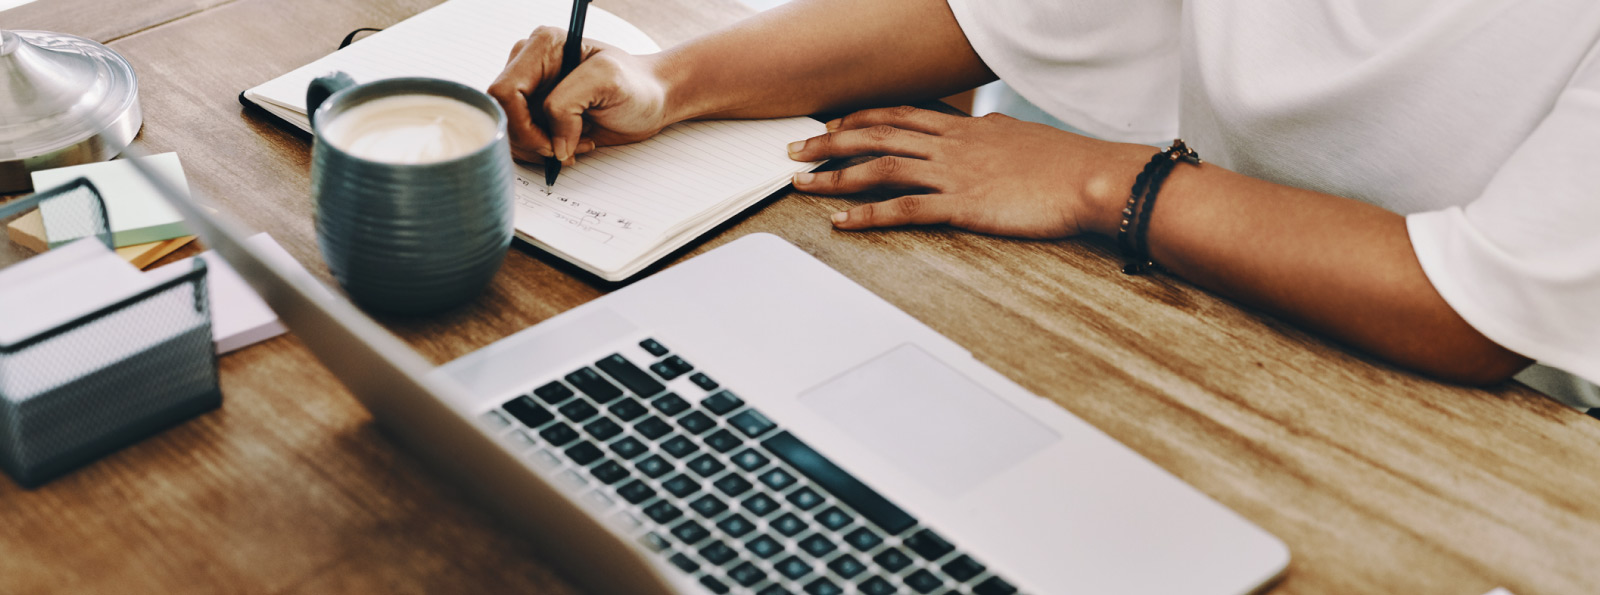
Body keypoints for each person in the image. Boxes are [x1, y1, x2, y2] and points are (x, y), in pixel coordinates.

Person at [488, 0, 1600, 408]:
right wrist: (672, 84)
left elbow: (1473, 308)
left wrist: (1100, 179)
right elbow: (986, 16)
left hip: (1490, 445)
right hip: (1194, 330)